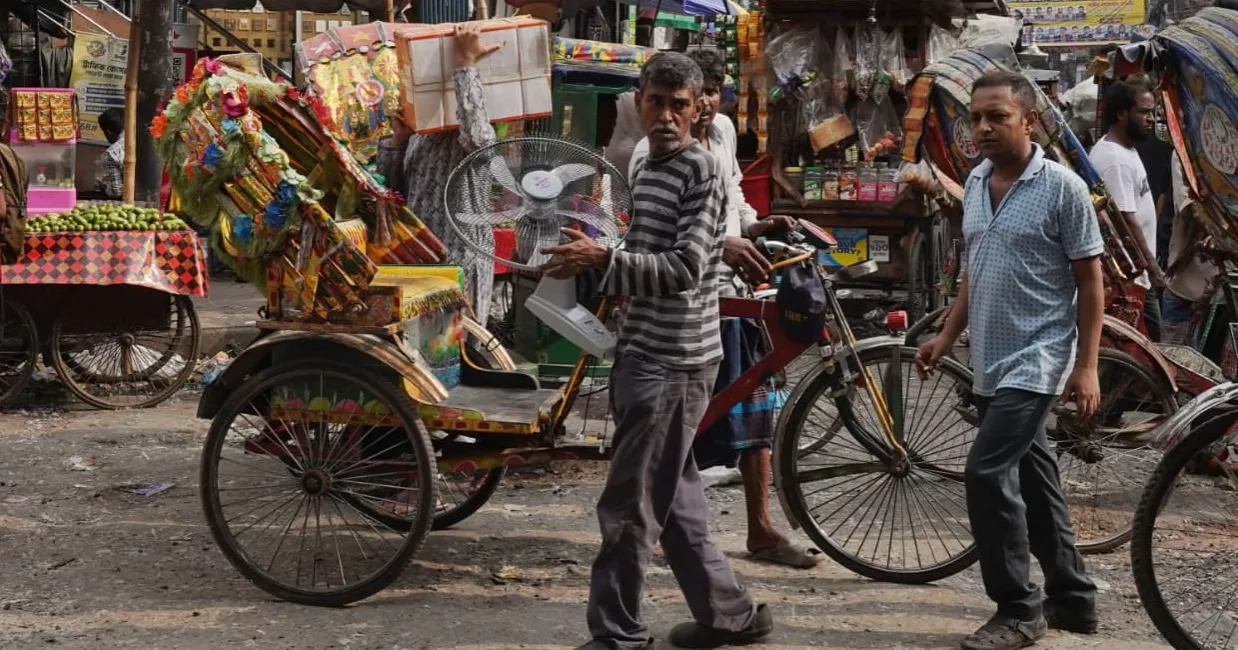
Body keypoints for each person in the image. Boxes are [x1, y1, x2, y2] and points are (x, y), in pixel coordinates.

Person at [539, 52, 772, 650]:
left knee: (631, 503)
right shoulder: (645, 164)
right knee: (676, 495)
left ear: (698, 109)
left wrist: (605, 262)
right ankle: (731, 615)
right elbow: (643, 245)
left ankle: (618, 635)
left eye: (679, 105)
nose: (666, 115)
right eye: (655, 102)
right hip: (644, 347)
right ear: (638, 102)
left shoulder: (704, 170)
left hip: (675, 360)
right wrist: (606, 268)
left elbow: (687, 267)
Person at [916, 71, 1101, 650]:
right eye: (976, 117)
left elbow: (1090, 282)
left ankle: (1018, 609)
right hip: (991, 357)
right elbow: (977, 268)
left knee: (985, 471)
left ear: (1028, 120)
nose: (983, 127)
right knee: (1033, 475)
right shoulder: (973, 182)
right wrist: (948, 336)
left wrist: (1087, 364)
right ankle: (1073, 598)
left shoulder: (1062, 189)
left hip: (1040, 356)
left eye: (997, 115)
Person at [628, 48, 821, 570]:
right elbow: (668, 246)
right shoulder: (653, 155)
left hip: (735, 294)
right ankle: (665, 538)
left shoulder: (722, 138)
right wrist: (723, 243)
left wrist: (753, 226)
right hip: (687, 307)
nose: (703, 105)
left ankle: (758, 531)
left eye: (708, 95)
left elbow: (732, 196)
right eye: (663, 101)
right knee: (681, 428)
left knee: (754, 410)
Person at [400, 22, 500, 327]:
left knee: (457, 354)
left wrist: (465, 66)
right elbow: (396, 190)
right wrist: (396, 139)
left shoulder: (471, 130)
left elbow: (479, 140)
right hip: (423, 262)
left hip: (460, 262)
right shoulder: (421, 135)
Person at [1089, 78, 1165, 341]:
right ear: (1122, 113)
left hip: (1138, 274)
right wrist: (1153, 269)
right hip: (1132, 277)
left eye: (1153, 112)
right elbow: (1125, 221)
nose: (1151, 119)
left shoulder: (1126, 151)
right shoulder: (1114, 160)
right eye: (1144, 112)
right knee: (1149, 350)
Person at [1162, 150, 1218, 348]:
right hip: (1187, 287)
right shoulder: (1186, 147)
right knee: (1178, 368)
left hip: (1225, 294)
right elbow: (1187, 209)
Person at [94, 107, 124, 200]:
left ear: (108, 132)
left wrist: (104, 187)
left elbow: (116, 191)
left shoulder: (111, 154)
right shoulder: (144, 141)